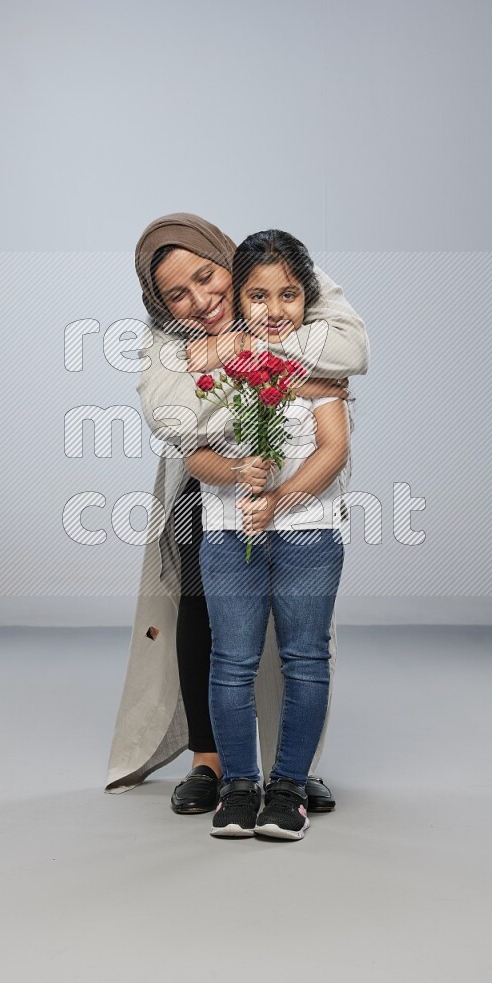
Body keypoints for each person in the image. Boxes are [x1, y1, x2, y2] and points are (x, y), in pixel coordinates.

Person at [104, 212, 369, 814]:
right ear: (159, 301)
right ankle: (210, 759)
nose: (200, 300)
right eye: (178, 294)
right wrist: (293, 378)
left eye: (208, 277)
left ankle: (290, 770)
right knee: (206, 624)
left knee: (298, 633)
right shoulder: (163, 336)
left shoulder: (273, 276)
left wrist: (238, 351)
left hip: (298, 484)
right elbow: (173, 421)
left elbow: (353, 349)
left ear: (229, 261)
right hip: (209, 487)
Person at [186, 229, 352, 840]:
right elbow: (194, 455)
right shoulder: (211, 360)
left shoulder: (319, 364)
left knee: (305, 658)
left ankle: (287, 787)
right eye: (258, 296)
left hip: (309, 535)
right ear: (239, 299)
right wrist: (237, 473)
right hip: (230, 536)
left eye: (288, 295)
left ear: (307, 298)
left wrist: (279, 499)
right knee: (232, 660)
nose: (274, 310)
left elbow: (333, 450)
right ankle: (238, 786)